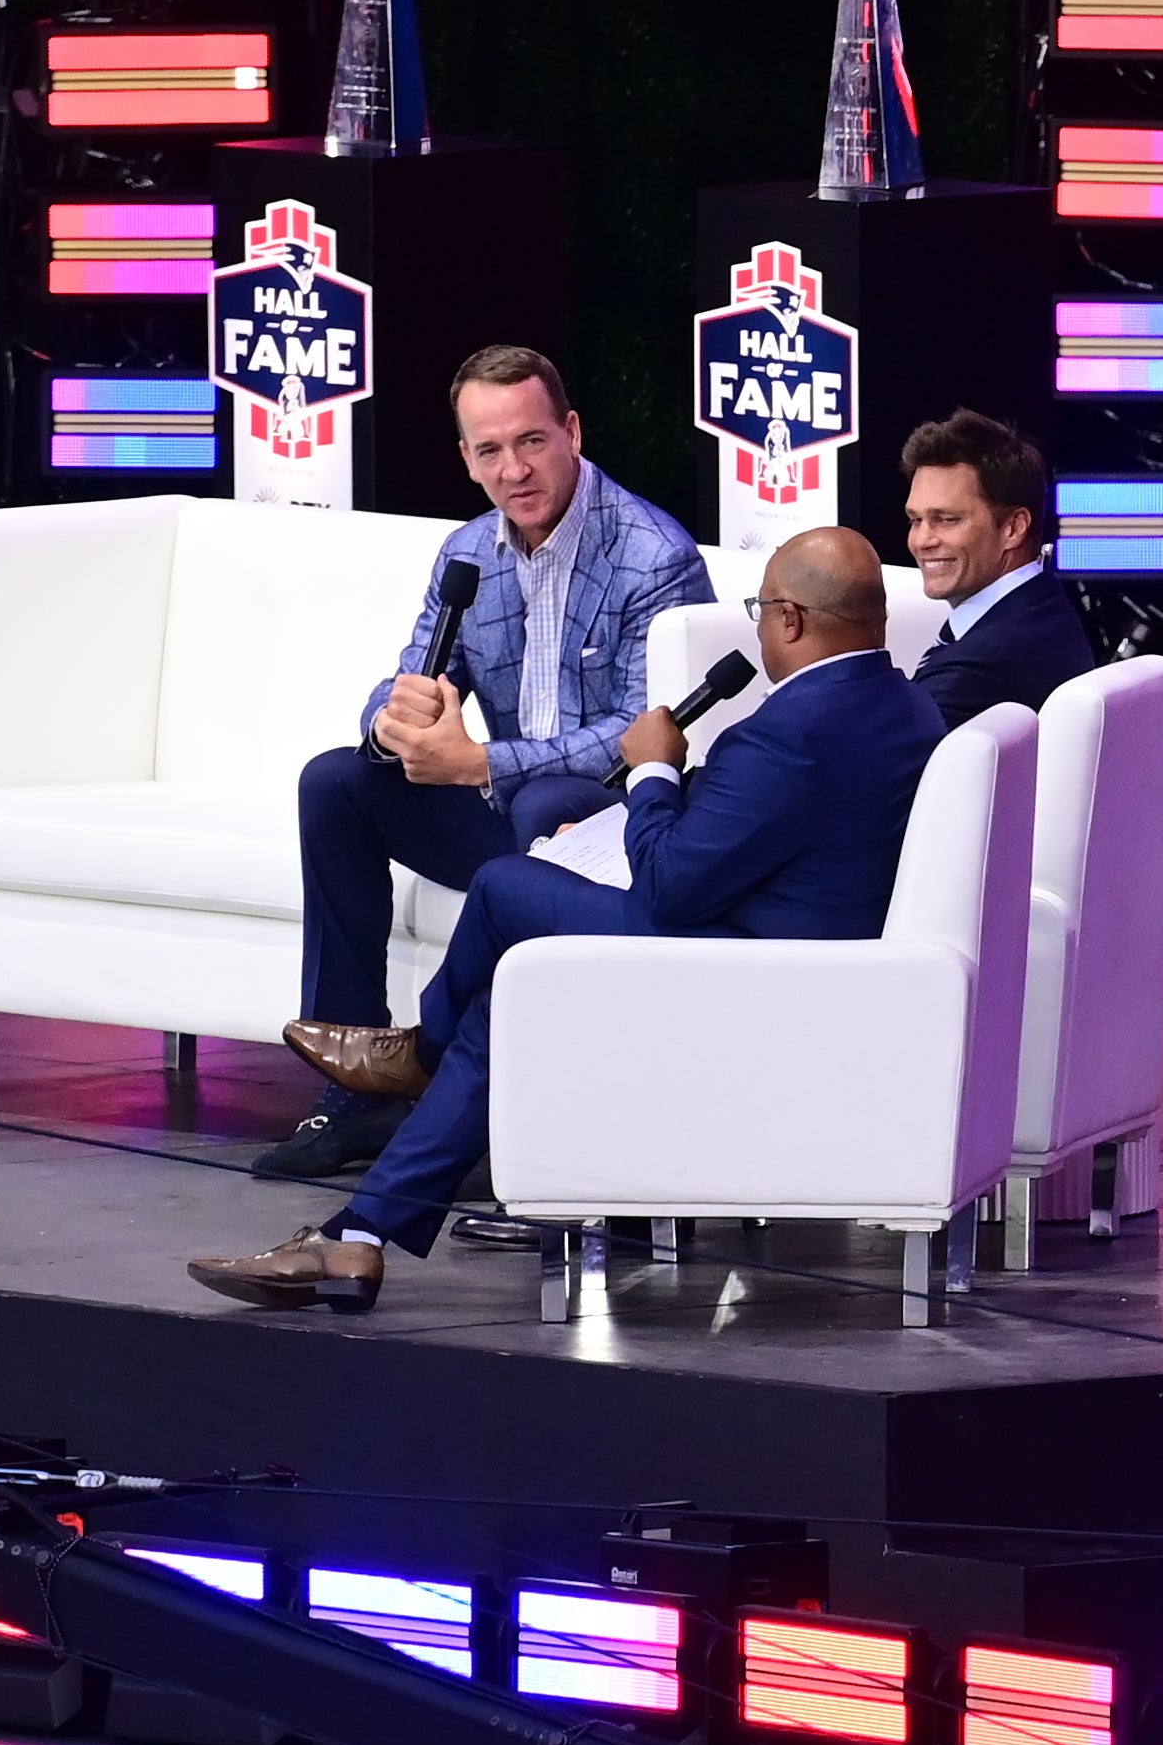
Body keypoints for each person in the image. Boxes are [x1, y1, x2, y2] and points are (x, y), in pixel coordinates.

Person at [188, 527, 949, 1312]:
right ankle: (360, 1236)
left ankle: (419, 1056)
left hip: (738, 968)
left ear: (789, 619)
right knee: (510, 1001)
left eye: (760, 609)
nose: (758, 625)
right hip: (788, 942)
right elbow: (756, 838)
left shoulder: (790, 731)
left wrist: (655, 768)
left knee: (504, 886)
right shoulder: (905, 707)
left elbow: (670, 892)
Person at [255, 345, 715, 1182]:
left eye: (532, 441)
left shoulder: (654, 556)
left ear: (571, 432)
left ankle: (496, 1108)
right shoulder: (468, 554)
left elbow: (647, 727)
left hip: (599, 821)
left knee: (546, 807)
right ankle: (355, 1094)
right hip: (494, 803)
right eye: (491, 450)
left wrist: (481, 763)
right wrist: (399, 728)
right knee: (336, 783)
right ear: (466, 459)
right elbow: (412, 672)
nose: (516, 469)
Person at [899, 409, 1098, 728]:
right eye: (915, 520)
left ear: (1013, 528)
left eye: (947, 520)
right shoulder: (1045, 603)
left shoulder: (978, 669)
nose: (921, 541)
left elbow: (882, 769)